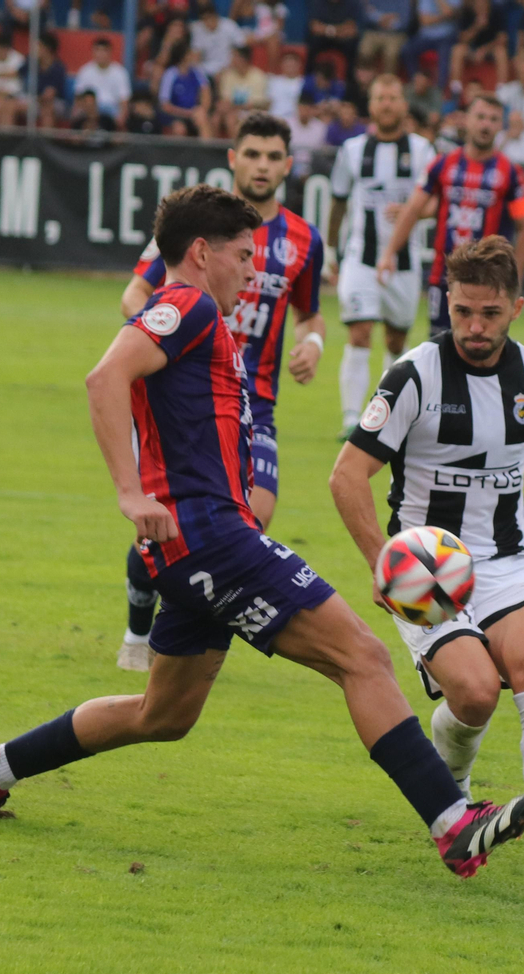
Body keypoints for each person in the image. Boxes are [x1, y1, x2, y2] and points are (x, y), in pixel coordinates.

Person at [0, 184, 524, 882]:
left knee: (162, 715)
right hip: (211, 536)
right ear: (202, 253)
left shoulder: (197, 315)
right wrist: (128, 491)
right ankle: (453, 823)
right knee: (363, 656)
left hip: (189, 546)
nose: (254, 272)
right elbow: (103, 378)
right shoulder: (188, 304)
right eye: (242, 254)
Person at [331, 234, 524, 880]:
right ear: (446, 302)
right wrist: (384, 569)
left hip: (504, 558)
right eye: (462, 311)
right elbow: (346, 476)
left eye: (489, 314)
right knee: (473, 695)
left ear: (516, 308)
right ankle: (457, 786)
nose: (473, 327)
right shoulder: (413, 374)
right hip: (427, 567)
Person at [118, 114, 327, 668]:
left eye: (273, 156)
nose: (262, 165)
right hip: (189, 403)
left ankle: (196, 639)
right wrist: (166, 345)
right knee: (171, 522)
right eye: (252, 154)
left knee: (248, 521)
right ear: (233, 158)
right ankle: (144, 623)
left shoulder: (304, 239)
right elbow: (135, 292)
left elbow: (312, 315)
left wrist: (313, 346)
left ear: (288, 164)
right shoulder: (197, 231)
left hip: (257, 403)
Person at [377, 94, 524, 357]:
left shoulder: (511, 173)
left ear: (501, 126)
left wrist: (514, 278)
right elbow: (413, 209)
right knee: (440, 349)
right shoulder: (443, 164)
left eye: (493, 119)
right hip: (445, 278)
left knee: (485, 350)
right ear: (467, 121)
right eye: (480, 117)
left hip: (492, 282)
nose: (486, 125)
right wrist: (388, 253)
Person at [328, 75, 438, 436]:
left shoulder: (423, 151)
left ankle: (387, 415)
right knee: (359, 332)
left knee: (395, 340)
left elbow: (438, 202)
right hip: (361, 258)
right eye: (380, 98)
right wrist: (331, 248)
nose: (387, 104)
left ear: (404, 105)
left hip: (405, 263)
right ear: (371, 106)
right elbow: (338, 200)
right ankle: (349, 419)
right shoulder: (353, 150)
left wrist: (413, 211)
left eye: (393, 97)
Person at [158, 42, 214, 137]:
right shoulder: (170, 74)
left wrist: (202, 109)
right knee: (179, 128)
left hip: (193, 114)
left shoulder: (197, 72)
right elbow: (165, 106)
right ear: (184, 57)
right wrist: (188, 113)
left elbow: (206, 92)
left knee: (202, 118)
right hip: (175, 114)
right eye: (190, 53)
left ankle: (206, 150)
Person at [74, 37, 133, 126]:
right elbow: (79, 97)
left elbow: (124, 100)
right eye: (97, 50)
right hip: (91, 108)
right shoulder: (85, 71)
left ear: (110, 52)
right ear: (93, 52)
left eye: (104, 51)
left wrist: (121, 117)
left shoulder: (120, 72)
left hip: (112, 109)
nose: (100, 54)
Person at [403, 0, 463, 87]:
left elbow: (449, 12)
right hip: (425, 36)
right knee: (407, 50)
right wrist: (444, 17)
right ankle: (416, 83)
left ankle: (439, 91)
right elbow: (425, 21)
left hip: (446, 36)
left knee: (445, 57)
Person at [450, 0, 510, 87]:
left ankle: (502, 88)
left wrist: (484, 50)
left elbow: (502, 39)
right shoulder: (466, 12)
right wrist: (477, 27)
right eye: (477, 3)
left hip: (490, 49)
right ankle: (455, 89)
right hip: (471, 49)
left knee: (501, 52)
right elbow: (462, 39)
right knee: (457, 50)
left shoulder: (497, 11)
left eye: (483, 3)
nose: (480, 6)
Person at [216, 45, 270, 135]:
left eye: (234, 57)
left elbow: (256, 103)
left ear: (243, 59)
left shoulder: (258, 76)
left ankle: (236, 148)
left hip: (253, 111)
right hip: (233, 110)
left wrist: (234, 106)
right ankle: (213, 148)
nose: (231, 60)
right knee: (216, 118)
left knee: (231, 119)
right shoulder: (228, 75)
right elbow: (226, 100)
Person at [307, 0, 364, 76]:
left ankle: (349, 83)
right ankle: (310, 79)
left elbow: (351, 29)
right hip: (322, 39)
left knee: (353, 45)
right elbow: (314, 27)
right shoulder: (317, 3)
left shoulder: (353, 3)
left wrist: (326, 29)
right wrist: (338, 30)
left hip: (344, 40)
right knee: (313, 42)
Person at [191, 3, 248, 78]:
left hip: (228, 67)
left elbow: (241, 49)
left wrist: (228, 68)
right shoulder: (198, 30)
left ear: (216, 16)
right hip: (207, 69)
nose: (207, 22)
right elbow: (195, 54)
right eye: (204, 19)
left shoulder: (229, 26)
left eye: (209, 18)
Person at [29, 32, 71, 128]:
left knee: (47, 110)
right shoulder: (31, 64)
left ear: (46, 48)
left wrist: (34, 99)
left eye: (38, 46)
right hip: (34, 100)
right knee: (9, 105)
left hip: (55, 103)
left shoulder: (58, 68)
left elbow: (49, 95)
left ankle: (45, 141)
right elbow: (16, 73)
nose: (34, 50)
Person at [360, 0, 413, 73]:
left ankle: (387, 81)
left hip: (395, 34)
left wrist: (390, 23)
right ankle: (368, 80)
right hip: (374, 31)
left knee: (391, 54)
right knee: (364, 51)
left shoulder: (403, 1)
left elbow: (405, 22)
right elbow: (366, 15)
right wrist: (379, 19)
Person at [268, 51, 306, 120]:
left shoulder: (304, 83)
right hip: (275, 118)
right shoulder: (273, 81)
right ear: (281, 65)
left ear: (299, 65)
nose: (290, 67)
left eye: (292, 65)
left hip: (296, 121)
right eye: (287, 64)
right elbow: (268, 103)